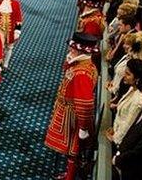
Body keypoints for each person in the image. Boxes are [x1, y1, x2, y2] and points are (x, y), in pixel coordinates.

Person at [45, 33, 99, 180]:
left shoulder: (82, 72)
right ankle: (69, 174)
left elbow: (84, 104)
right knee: (72, 151)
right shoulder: (83, 65)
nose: (70, 50)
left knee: (73, 151)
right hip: (69, 112)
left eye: (73, 48)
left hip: (72, 116)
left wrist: (83, 127)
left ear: (81, 51)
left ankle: (70, 177)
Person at [105, 59, 142, 147]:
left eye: (128, 74)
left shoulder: (138, 101)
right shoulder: (132, 88)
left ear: (137, 78)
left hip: (119, 144)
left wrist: (114, 138)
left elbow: (127, 125)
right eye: (125, 72)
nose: (124, 75)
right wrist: (114, 129)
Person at [0, 0, 23, 70]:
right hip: (1, 29)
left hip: (11, 30)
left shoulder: (15, 3)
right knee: (0, 46)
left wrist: (17, 30)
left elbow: (19, 17)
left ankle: (6, 63)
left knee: (9, 47)